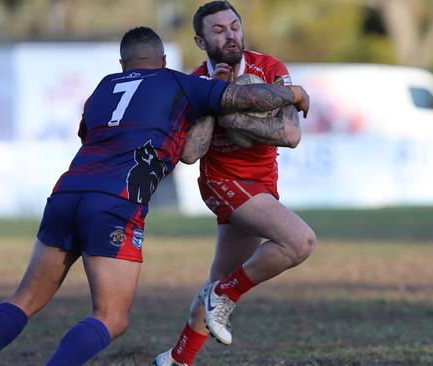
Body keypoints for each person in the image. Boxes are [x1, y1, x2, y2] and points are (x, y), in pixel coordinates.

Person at [0, 26, 309, 366]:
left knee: (25, 298)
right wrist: (293, 94)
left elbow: (89, 135)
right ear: (163, 59)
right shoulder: (179, 83)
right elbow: (246, 98)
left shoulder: (103, 88)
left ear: (123, 64)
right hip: (116, 202)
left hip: (67, 193)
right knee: (112, 317)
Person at [154, 2, 316, 365]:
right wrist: (214, 97)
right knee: (300, 241)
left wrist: (231, 115)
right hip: (222, 181)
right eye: (218, 30)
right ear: (200, 40)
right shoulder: (192, 84)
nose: (230, 35)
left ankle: (177, 359)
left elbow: (290, 135)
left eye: (234, 26)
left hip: (262, 183)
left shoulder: (270, 68)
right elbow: (192, 153)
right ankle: (224, 296)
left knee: (219, 278)